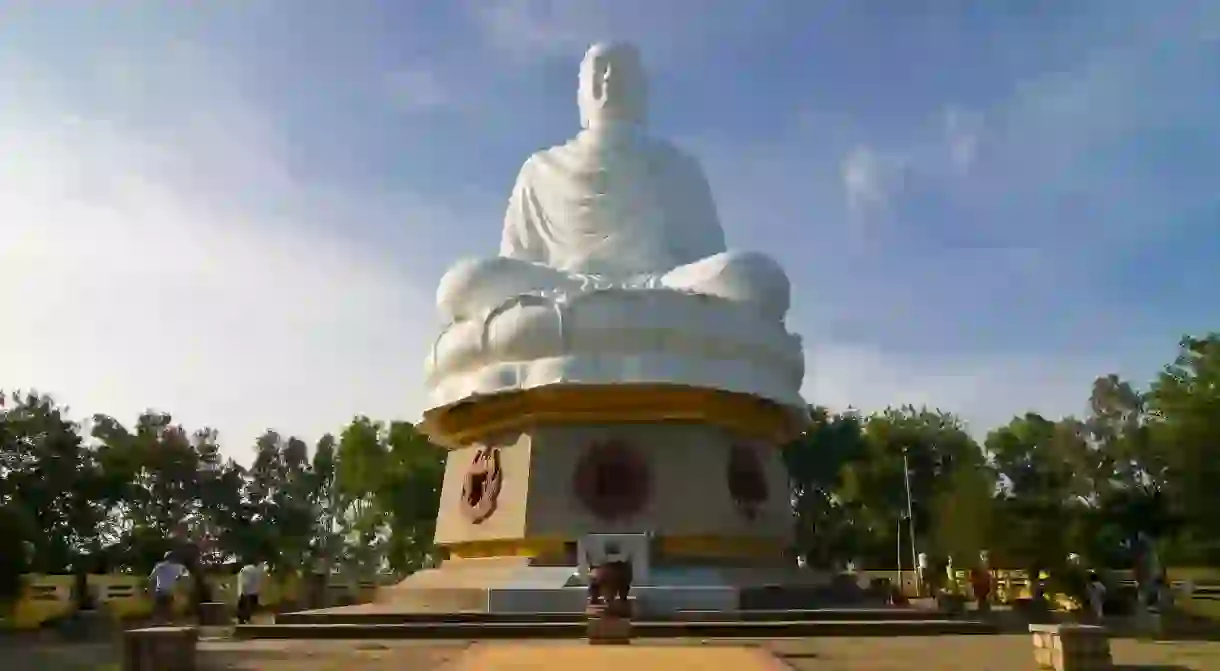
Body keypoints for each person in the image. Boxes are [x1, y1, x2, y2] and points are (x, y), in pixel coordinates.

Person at [148, 551, 188, 623]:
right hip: (169, 591)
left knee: (159, 608)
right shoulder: (178, 567)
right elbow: (185, 577)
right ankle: (168, 622)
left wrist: (151, 590)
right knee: (169, 608)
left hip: (159, 591)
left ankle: (158, 621)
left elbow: (151, 579)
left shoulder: (159, 566)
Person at [236, 560, 265, 624]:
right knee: (248, 608)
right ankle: (245, 619)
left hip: (249, 592)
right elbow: (246, 582)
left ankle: (244, 620)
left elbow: (245, 582)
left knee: (247, 608)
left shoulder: (248, 569)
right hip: (251, 593)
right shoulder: (254, 570)